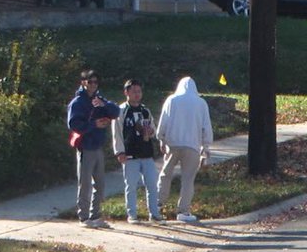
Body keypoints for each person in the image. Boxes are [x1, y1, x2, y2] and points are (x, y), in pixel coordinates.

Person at [67, 69, 120, 227]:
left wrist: (104, 105)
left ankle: (95, 215)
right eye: (90, 82)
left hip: (98, 146)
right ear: (83, 83)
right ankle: (84, 217)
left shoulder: (99, 99)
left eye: (96, 82)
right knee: (85, 183)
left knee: (100, 184)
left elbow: (116, 111)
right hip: (85, 146)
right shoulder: (77, 102)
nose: (93, 85)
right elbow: (73, 124)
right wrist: (94, 125)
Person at [156, 76, 213, 224]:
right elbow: (206, 127)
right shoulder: (201, 103)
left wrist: (161, 138)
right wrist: (205, 147)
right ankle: (183, 210)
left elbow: (164, 121)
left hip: (172, 144)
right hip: (192, 146)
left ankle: (157, 205)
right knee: (188, 179)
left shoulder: (172, 100)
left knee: (165, 175)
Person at [112, 78, 162, 223]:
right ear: (126, 92)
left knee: (152, 184)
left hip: (146, 153)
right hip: (129, 154)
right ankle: (132, 214)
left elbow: (152, 129)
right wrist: (119, 152)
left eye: (139, 91)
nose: (137, 94)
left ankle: (154, 213)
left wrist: (150, 131)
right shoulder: (121, 111)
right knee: (131, 186)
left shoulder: (145, 110)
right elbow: (117, 133)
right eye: (133, 91)